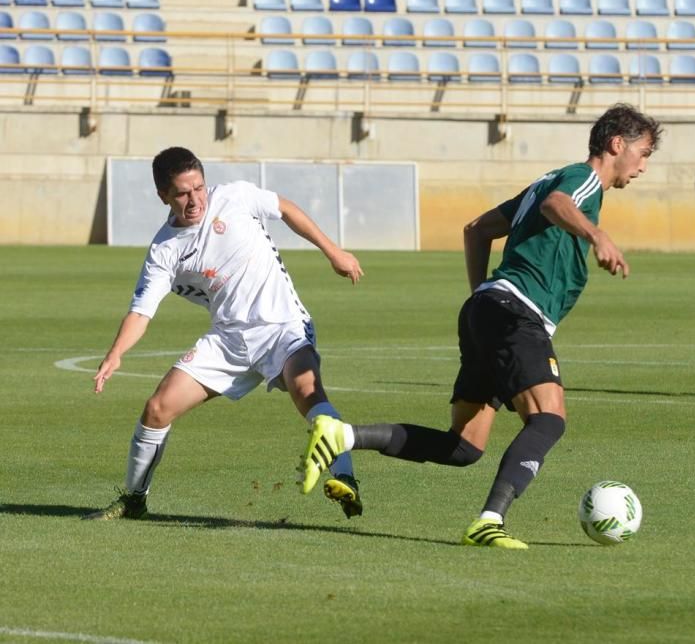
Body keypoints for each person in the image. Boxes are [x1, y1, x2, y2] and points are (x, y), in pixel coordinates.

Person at [297, 104, 661, 549]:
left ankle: (344, 435)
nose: (643, 166)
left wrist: (481, 295)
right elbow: (555, 205)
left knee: (464, 446)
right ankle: (489, 520)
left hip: (488, 309)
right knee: (549, 420)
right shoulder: (579, 182)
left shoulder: (545, 182)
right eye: (643, 153)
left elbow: (476, 229)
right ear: (616, 144)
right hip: (515, 312)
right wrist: (597, 236)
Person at [84, 147, 365, 520]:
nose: (195, 199)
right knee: (157, 409)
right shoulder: (164, 250)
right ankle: (134, 500)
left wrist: (333, 251)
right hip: (229, 340)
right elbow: (142, 311)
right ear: (163, 196)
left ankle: (346, 480)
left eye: (199, 188)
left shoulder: (234, 196)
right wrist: (116, 353)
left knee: (308, 392)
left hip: (283, 326)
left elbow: (285, 208)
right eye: (182, 193)